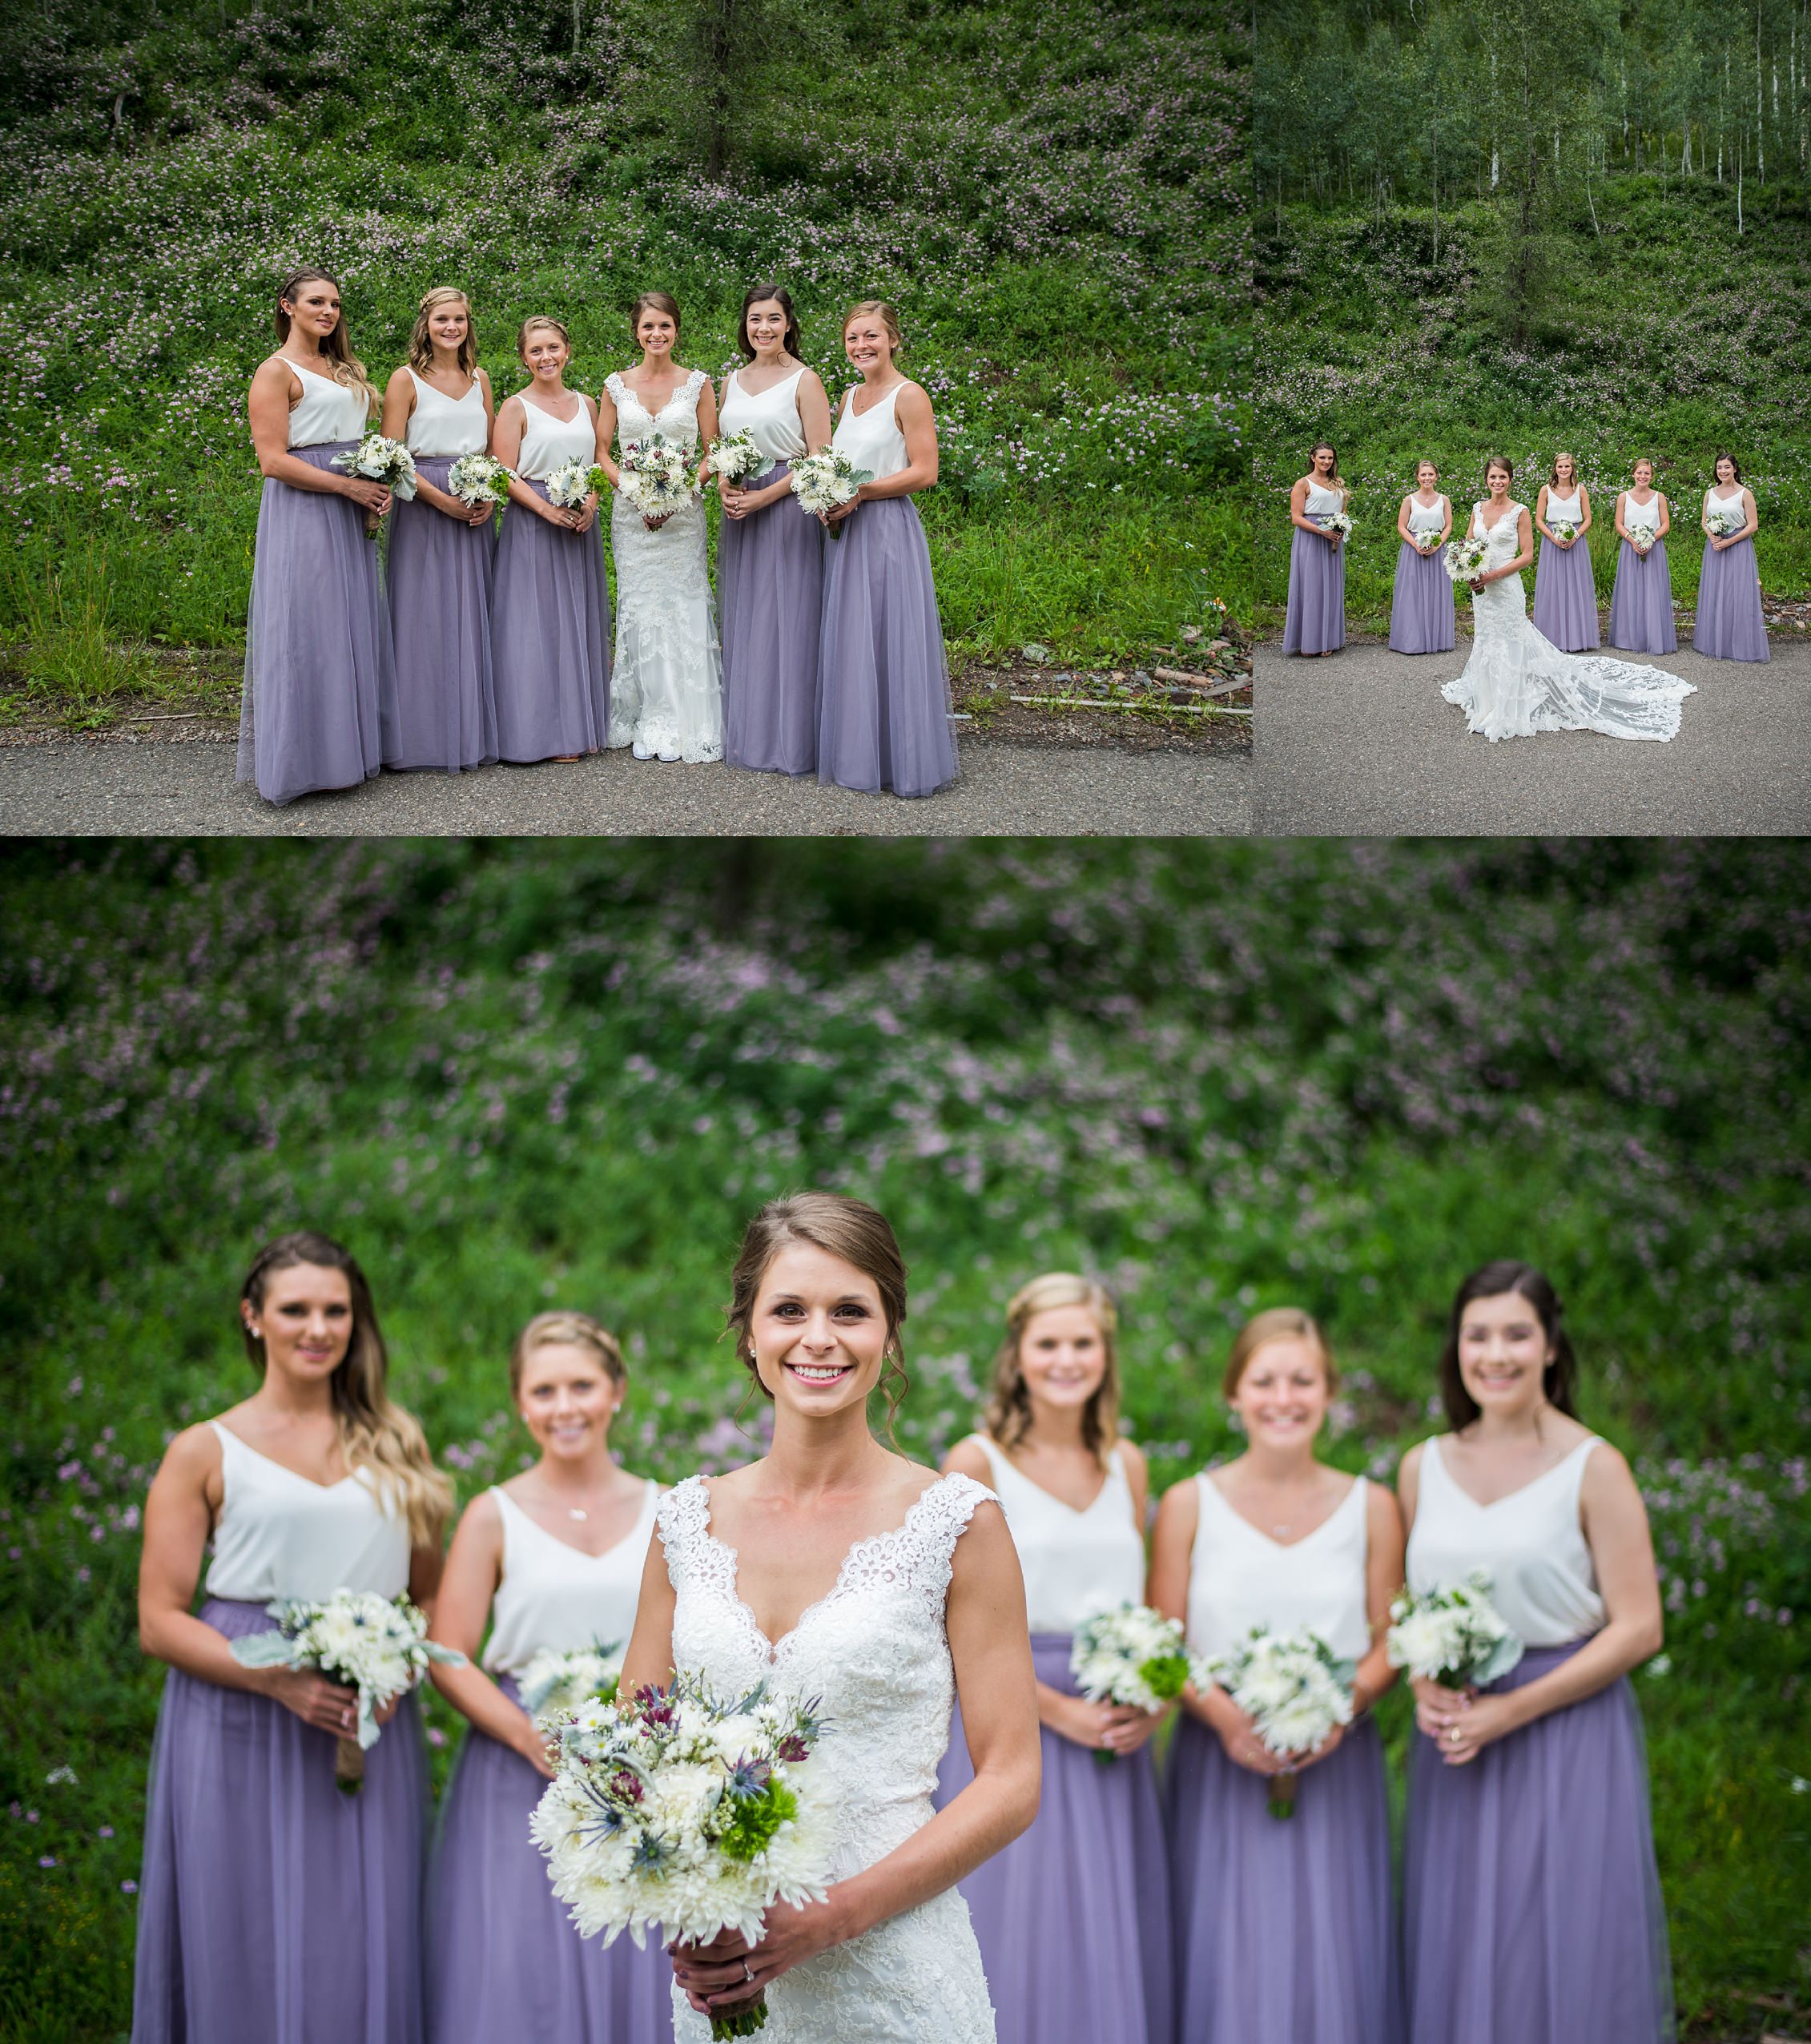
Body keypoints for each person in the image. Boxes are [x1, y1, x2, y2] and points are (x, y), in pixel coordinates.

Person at [618, 1191, 1040, 2040]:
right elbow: (634, 1742)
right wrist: (682, 1892)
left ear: (888, 1333)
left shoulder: (958, 1522)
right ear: (749, 1332)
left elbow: (1010, 1778)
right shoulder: (682, 1521)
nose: (819, 1336)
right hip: (725, 1969)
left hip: (895, 1971)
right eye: (788, 1309)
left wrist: (834, 1915)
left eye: (849, 1309)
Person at [132, 1232, 451, 2044]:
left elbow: (428, 1589)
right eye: (295, 1308)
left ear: (356, 1319)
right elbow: (160, 1617)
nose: (318, 1327)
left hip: (366, 1716)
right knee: (239, 1920)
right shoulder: (205, 1447)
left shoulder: (395, 1439)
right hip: (238, 1709)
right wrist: (274, 1678)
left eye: (335, 1309)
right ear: (253, 1317)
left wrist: (396, 1665)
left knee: (363, 1916)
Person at [1398, 1262, 1672, 2044]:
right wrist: (1423, 1680)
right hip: (1456, 1735)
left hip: (1561, 1725)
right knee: (1462, 1934)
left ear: (1550, 1345)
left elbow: (1637, 1625)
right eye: (1476, 1334)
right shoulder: (1422, 1464)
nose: (1495, 1353)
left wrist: (1510, 1708)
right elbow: (1413, 1599)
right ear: (1455, 1348)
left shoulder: (1594, 1465)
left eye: (1516, 1333)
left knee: (1559, 1935)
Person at [1149, 1309, 1403, 2044]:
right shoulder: (1188, 1504)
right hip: (1217, 1759)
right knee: (1227, 1944)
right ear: (1235, 1394)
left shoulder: (1374, 1507)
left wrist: (1336, 1709)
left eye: (1302, 1380)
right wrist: (1227, 1719)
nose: (1283, 1398)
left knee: (1336, 1942)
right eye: (1264, 1381)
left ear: (1329, 1394)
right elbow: (1166, 1640)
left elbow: (1390, 1640)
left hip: (1337, 1758)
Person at [936, 1275, 1173, 2044]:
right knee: (1016, 1924)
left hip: (1114, 1736)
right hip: (1013, 1719)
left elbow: (1147, 1606)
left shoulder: (1126, 1464)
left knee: (1107, 1924)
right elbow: (940, 1624)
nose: (1066, 1359)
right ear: (1017, 1356)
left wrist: (1148, 1693)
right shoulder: (975, 1463)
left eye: (1083, 1343)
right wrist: (1058, 1709)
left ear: (1105, 1355)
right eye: (1048, 1343)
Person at [426, 1311, 669, 2042]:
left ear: (617, 1391)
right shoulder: (491, 1515)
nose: (565, 1408)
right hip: (516, 1769)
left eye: (582, 1386)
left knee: (640, 1955)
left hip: (637, 1769)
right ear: (521, 1404)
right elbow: (449, 1653)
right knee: (518, 1968)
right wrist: (528, 1737)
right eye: (544, 1391)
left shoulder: (670, 1509)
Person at [238, 268, 392, 805]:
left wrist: (374, 484)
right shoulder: (274, 372)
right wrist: (347, 489)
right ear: (287, 306)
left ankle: (342, 756)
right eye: (316, 302)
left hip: (349, 507)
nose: (328, 311)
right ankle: (298, 764)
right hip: (304, 510)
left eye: (334, 304)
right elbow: (273, 461)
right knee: (306, 630)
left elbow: (356, 439)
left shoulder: (344, 367)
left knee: (345, 628)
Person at [1440, 457, 1696, 742]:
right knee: (1487, 637)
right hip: (1482, 590)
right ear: (1486, 480)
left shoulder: (1520, 511)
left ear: (1510, 479)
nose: (1497, 482)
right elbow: (1469, 545)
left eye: (1502, 477)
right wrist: (1471, 570)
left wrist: (1493, 575)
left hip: (1506, 584)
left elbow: (1526, 556)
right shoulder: (1477, 509)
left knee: (1512, 638)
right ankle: (1487, 695)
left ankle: (1511, 698)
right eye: (1493, 478)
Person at [815, 301, 958, 799]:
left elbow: (925, 471)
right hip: (848, 530)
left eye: (872, 336)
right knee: (857, 639)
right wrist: (826, 496)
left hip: (887, 528)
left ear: (893, 339)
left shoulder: (909, 395)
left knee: (889, 636)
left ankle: (901, 758)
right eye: (853, 338)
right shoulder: (848, 396)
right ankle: (861, 751)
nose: (862, 346)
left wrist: (863, 492)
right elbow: (839, 463)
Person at [597, 291, 725, 763]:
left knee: (683, 602)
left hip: (683, 514)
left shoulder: (698, 385)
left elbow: (713, 449)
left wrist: (678, 496)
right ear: (636, 331)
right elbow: (602, 451)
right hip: (631, 519)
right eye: (648, 326)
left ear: (676, 330)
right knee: (640, 604)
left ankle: (690, 716)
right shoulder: (615, 385)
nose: (656, 334)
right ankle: (646, 712)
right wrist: (635, 494)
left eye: (665, 326)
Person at [380, 286, 499, 775]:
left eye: (460, 320)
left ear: (469, 325)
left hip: (471, 503)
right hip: (423, 503)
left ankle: (467, 728)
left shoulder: (480, 379)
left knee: (470, 613)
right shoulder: (405, 380)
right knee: (420, 614)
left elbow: (492, 449)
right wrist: (441, 500)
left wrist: (487, 494)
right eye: (442, 319)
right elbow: (390, 456)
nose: (452, 327)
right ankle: (419, 738)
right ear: (425, 325)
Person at [718, 283, 832, 775]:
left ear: (789, 324)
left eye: (773, 319)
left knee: (791, 618)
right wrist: (726, 481)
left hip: (787, 504)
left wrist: (768, 494)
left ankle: (793, 739)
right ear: (745, 326)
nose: (763, 328)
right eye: (754, 319)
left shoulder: (805, 380)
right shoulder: (731, 381)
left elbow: (823, 459)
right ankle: (753, 735)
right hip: (742, 507)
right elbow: (723, 445)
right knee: (750, 618)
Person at [489, 316, 611, 763]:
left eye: (553, 348)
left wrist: (593, 501)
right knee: (533, 625)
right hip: (533, 521)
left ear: (567, 351)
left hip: (579, 519)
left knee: (574, 623)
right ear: (524, 357)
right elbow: (503, 472)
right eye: (536, 351)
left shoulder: (587, 403)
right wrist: (545, 509)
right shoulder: (515, 407)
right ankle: (532, 732)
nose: (546, 358)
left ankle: (574, 727)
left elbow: (599, 459)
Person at [1693, 453, 1769, 662]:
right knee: (1716, 592)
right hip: (1716, 547)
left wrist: (1729, 541)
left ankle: (1740, 643)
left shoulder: (1745, 494)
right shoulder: (1710, 493)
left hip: (1738, 547)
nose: (1723, 471)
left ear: (1735, 469)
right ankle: (1716, 641)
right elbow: (1704, 521)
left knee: (1737, 593)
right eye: (1719, 467)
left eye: (1727, 467)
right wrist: (1712, 536)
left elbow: (1753, 525)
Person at [1605, 460, 1676, 654]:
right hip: (1631, 548)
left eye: (1647, 473)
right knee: (1631, 591)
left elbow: (1665, 524)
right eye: (1639, 473)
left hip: (1654, 548)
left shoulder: (1659, 497)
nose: (1643, 477)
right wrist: (1633, 540)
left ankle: (1653, 637)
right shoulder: (1624, 497)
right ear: (1633, 474)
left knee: (1653, 591)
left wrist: (1651, 539)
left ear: (1652, 476)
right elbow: (1619, 524)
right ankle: (1630, 638)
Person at [1283, 441, 1346, 656]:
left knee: (1330, 589)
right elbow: (1296, 518)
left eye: (1330, 458)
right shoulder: (1303, 483)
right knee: (1311, 589)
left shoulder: (1338, 483)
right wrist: (1322, 531)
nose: (1327, 462)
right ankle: (1308, 642)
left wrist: (1340, 530)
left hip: (1332, 541)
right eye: (1322, 458)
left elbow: (1343, 513)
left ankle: (1327, 640)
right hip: (1311, 539)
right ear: (1313, 458)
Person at [1531, 453, 1598, 651]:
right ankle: (1552, 637)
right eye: (1560, 467)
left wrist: (1574, 536)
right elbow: (1539, 520)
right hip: (1552, 543)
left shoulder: (1581, 490)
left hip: (1576, 542)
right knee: (1553, 587)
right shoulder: (1546, 490)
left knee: (1576, 588)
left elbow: (1588, 519)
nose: (1563, 470)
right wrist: (1554, 538)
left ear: (1572, 468)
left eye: (1567, 467)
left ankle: (1577, 637)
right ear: (1555, 469)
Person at [1387, 461, 1454, 654]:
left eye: (1430, 474)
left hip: (1437, 548)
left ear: (1436, 477)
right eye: (1423, 475)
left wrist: (1437, 544)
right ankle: (1412, 640)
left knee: (1436, 592)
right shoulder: (1409, 500)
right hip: (1413, 549)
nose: (1427, 478)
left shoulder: (1444, 500)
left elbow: (1448, 526)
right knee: (1413, 593)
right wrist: (1416, 544)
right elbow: (1401, 526)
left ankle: (1436, 638)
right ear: (1417, 477)